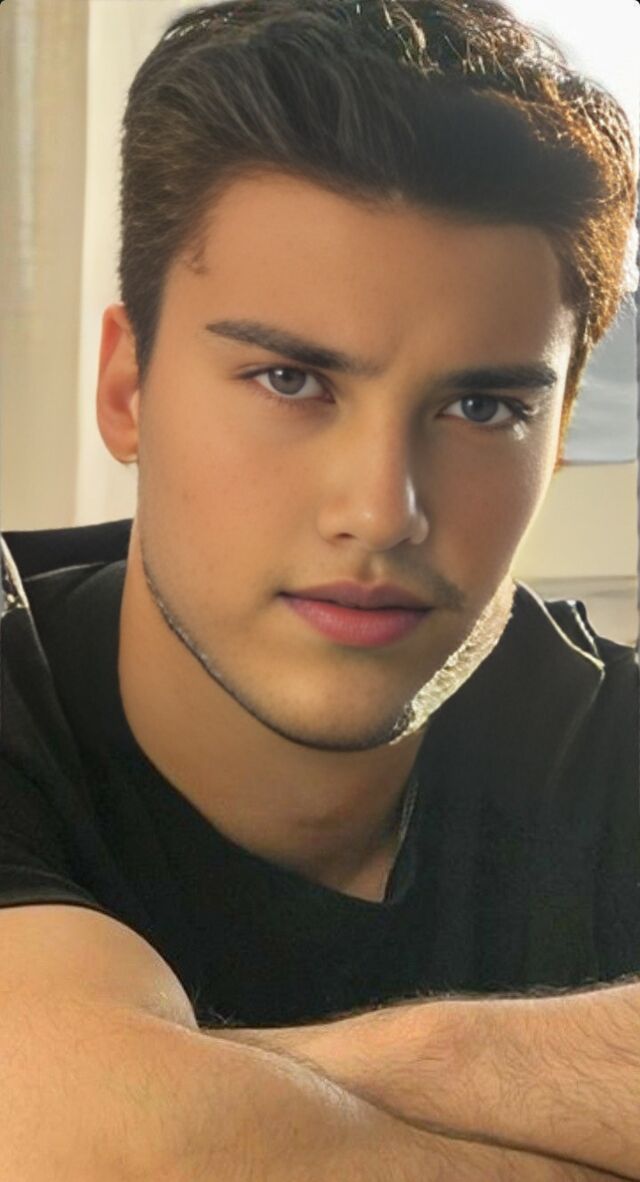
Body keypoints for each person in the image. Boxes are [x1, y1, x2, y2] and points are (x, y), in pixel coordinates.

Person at [1, 1, 639, 1178]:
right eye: (290, 379)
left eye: (482, 407)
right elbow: (100, 1138)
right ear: (129, 390)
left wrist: (158, 1077)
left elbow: (88, 1124)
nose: (383, 511)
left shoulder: (610, 745)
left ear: (556, 435)